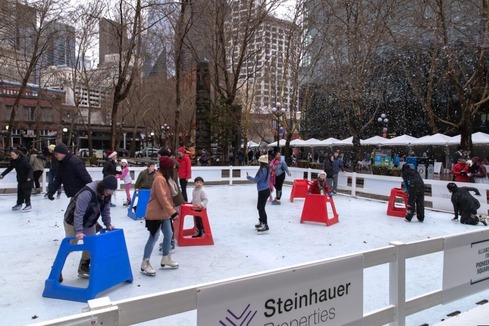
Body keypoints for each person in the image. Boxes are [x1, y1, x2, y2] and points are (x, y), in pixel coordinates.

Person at [63, 175, 117, 278]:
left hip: (89, 221)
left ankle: (83, 267)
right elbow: (78, 214)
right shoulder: (87, 193)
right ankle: (57, 269)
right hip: (73, 221)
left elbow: (105, 210)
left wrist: (108, 224)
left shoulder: (107, 194)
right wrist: (78, 231)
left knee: (91, 245)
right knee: (70, 245)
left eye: (112, 191)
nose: (110, 193)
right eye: (109, 190)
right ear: (103, 187)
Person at [141, 156, 179, 276]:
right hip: (156, 213)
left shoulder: (165, 178)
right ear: (167, 168)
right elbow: (162, 198)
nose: (173, 169)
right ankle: (145, 263)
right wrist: (173, 212)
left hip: (164, 213)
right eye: (172, 167)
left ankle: (166, 257)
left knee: (169, 234)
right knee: (154, 237)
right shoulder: (159, 179)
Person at [246, 154, 271, 233]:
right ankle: (262, 222)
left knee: (261, 208)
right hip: (265, 190)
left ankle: (265, 224)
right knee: (260, 207)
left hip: (263, 191)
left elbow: (256, 180)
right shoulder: (267, 169)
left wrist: (249, 177)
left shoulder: (262, 170)